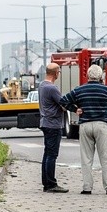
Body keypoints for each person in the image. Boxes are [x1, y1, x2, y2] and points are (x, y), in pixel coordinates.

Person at [59, 65, 107, 195]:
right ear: (100, 77)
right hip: (102, 125)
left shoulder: (79, 90)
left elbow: (63, 101)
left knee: (86, 158)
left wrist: (75, 109)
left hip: (85, 125)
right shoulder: (105, 89)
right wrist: (104, 85)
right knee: (105, 157)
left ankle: (87, 188)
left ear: (87, 76)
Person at [38, 63, 68, 193]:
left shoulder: (41, 85)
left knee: (47, 154)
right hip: (53, 124)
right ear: (56, 73)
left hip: (45, 122)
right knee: (52, 155)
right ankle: (51, 184)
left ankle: (46, 182)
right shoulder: (52, 88)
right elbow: (63, 104)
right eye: (59, 72)